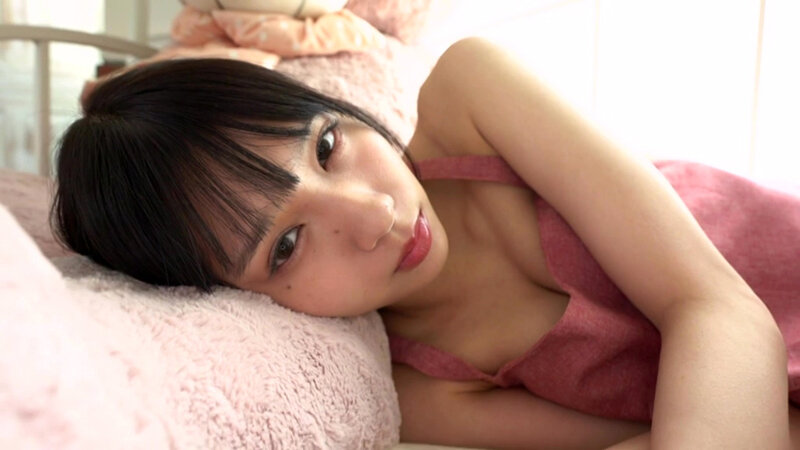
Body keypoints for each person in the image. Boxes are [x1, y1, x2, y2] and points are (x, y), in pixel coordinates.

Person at [52, 37, 800, 449]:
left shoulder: (471, 96)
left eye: (327, 146)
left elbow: (717, 307)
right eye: (285, 247)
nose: (374, 213)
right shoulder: (424, 391)